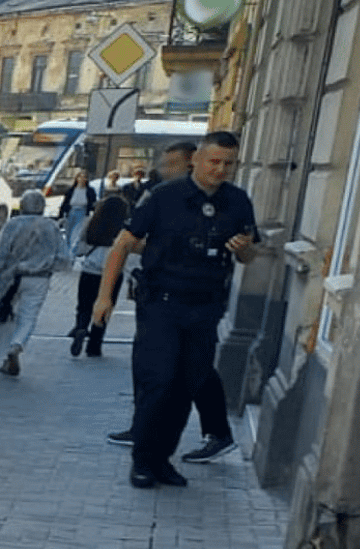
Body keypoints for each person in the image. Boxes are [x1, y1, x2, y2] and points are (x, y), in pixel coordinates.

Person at [92, 131, 258, 488]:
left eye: (228, 164)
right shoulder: (164, 197)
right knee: (160, 382)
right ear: (197, 159)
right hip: (161, 304)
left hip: (205, 307)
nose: (220, 169)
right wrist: (104, 297)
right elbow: (122, 245)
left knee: (186, 386)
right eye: (214, 161)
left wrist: (244, 248)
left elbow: (249, 254)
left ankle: (161, 460)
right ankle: (142, 461)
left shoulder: (238, 201)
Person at [0, 190, 71, 376]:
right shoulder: (51, 227)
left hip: (10, 277)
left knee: (6, 316)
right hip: (39, 278)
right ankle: (17, 345)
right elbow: (65, 258)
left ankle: (7, 355)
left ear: (22, 206)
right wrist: (46, 266)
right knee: (28, 316)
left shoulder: (12, 225)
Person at [69, 194, 129, 357]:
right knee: (104, 307)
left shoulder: (91, 222)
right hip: (114, 273)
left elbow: (79, 247)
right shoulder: (125, 227)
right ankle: (94, 346)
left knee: (84, 305)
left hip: (90, 270)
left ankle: (81, 327)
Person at [57, 170, 97, 245]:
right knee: (68, 233)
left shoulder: (90, 191)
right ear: (77, 178)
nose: (82, 179)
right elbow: (65, 203)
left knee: (77, 233)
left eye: (84, 177)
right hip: (71, 212)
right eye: (80, 177)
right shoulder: (71, 190)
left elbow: (93, 204)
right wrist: (60, 216)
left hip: (82, 213)